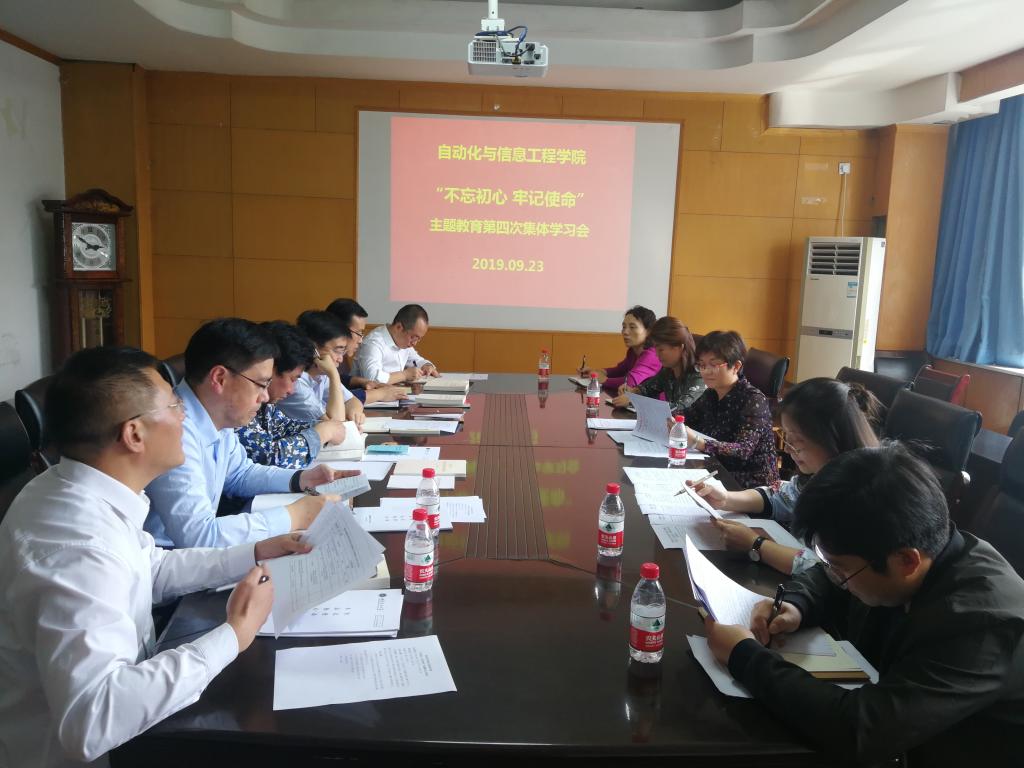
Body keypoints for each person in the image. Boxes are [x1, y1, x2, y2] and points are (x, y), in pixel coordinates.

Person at [0, 346, 315, 767]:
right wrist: (233, 635)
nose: (185, 415)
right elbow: (91, 721)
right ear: (134, 434)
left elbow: (151, 568)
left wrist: (254, 551)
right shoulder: (75, 546)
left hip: (136, 717)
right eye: (173, 405)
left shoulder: (77, 486)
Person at [704, 442, 1024, 766]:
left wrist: (744, 657)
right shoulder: (906, 546)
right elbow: (829, 576)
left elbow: (860, 730)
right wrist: (797, 603)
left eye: (842, 569)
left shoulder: (982, 626)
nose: (836, 576)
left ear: (907, 562)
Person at [144, 318, 349, 549]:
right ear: (220, 378)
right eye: (261, 384)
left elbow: (240, 473)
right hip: (171, 558)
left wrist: (302, 478)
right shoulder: (175, 429)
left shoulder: (217, 414)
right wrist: (295, 515)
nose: (265, 397)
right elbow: (199, 536)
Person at [691, 377, 882, 573]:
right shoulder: (819, 474)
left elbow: (832, 572)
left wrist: (756, 544)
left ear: (830, 439)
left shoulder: (861, 496)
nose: (789, 449)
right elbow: (783, 497)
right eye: (787, 438)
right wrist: (726, 499)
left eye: (797, 442)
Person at [236, 321, 348, 469]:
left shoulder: (267, 406)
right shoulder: (239, 405)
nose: (291, 390)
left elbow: (285, 427)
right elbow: (269, 456)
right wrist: (322, 433)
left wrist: (328, 427)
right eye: (293, 379)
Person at [681, 330, 778, 489]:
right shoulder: (711, 394)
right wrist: (670, 420)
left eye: (714, 365)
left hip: (751, 483)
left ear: (736, 366)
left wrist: (699, 442)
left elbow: (744, 450)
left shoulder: (753, 399)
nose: (706, 371)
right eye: (702, 365)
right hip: (716, 468)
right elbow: (686, 416)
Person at [278, 310, 365, 426]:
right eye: (337, 351)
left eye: (343, 352)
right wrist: (334, 375)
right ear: (312, 348)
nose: (340, 359)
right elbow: (336, 424)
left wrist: (355, 415)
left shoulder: (321, 375)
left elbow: (353, 401)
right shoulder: (296, 383)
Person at [611, 316, 705, 411]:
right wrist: (632, 391)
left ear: (680, 347)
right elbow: (647, 388)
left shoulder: (699, 375)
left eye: (661, 349)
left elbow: (680, 408)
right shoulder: (668, 371)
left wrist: (634, 400)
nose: (656, 354)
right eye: (655, 349)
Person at [325, 297, 406, 404]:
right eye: (358, 333)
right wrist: (380, 394)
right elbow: (332, 397)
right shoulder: (322, 357)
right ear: (339, 329)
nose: (360, 340)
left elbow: (337, 380)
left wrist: (361, 382)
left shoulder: (338, 355)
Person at [578, 306, 661, 393]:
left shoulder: (653, 355)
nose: (625, 332)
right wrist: (597, 372)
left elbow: (630, 382)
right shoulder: (633, 351)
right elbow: (620, 370)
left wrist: (604, 380)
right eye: (624, 327)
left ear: (648, 331)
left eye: (632, 327)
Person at [354, 303, 439, 384]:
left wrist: (427, 365)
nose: (414, 343)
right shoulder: (374, 342)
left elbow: (416, 360)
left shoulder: (404, 342)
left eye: (418, 339)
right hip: (365, 393)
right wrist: (404, 375)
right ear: (399, 327)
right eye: (414, 337)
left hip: (392, 392)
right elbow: (371, 378)